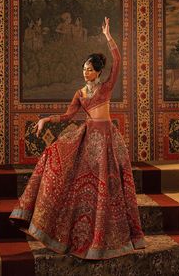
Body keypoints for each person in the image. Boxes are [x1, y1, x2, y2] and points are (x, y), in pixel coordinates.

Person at [10, 17, 145, 260]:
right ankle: (73, 235)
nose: (85, 72)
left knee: (109, 186)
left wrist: (108, 37)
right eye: (83, 69)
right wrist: (45, 120)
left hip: (107, 140)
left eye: (90, 69)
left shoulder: (106, 87)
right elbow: (67, 116)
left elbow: (119, 62)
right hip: (87, 138)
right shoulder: (80, 94)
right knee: (73, 178)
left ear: (98, 72)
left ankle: (106, 237)